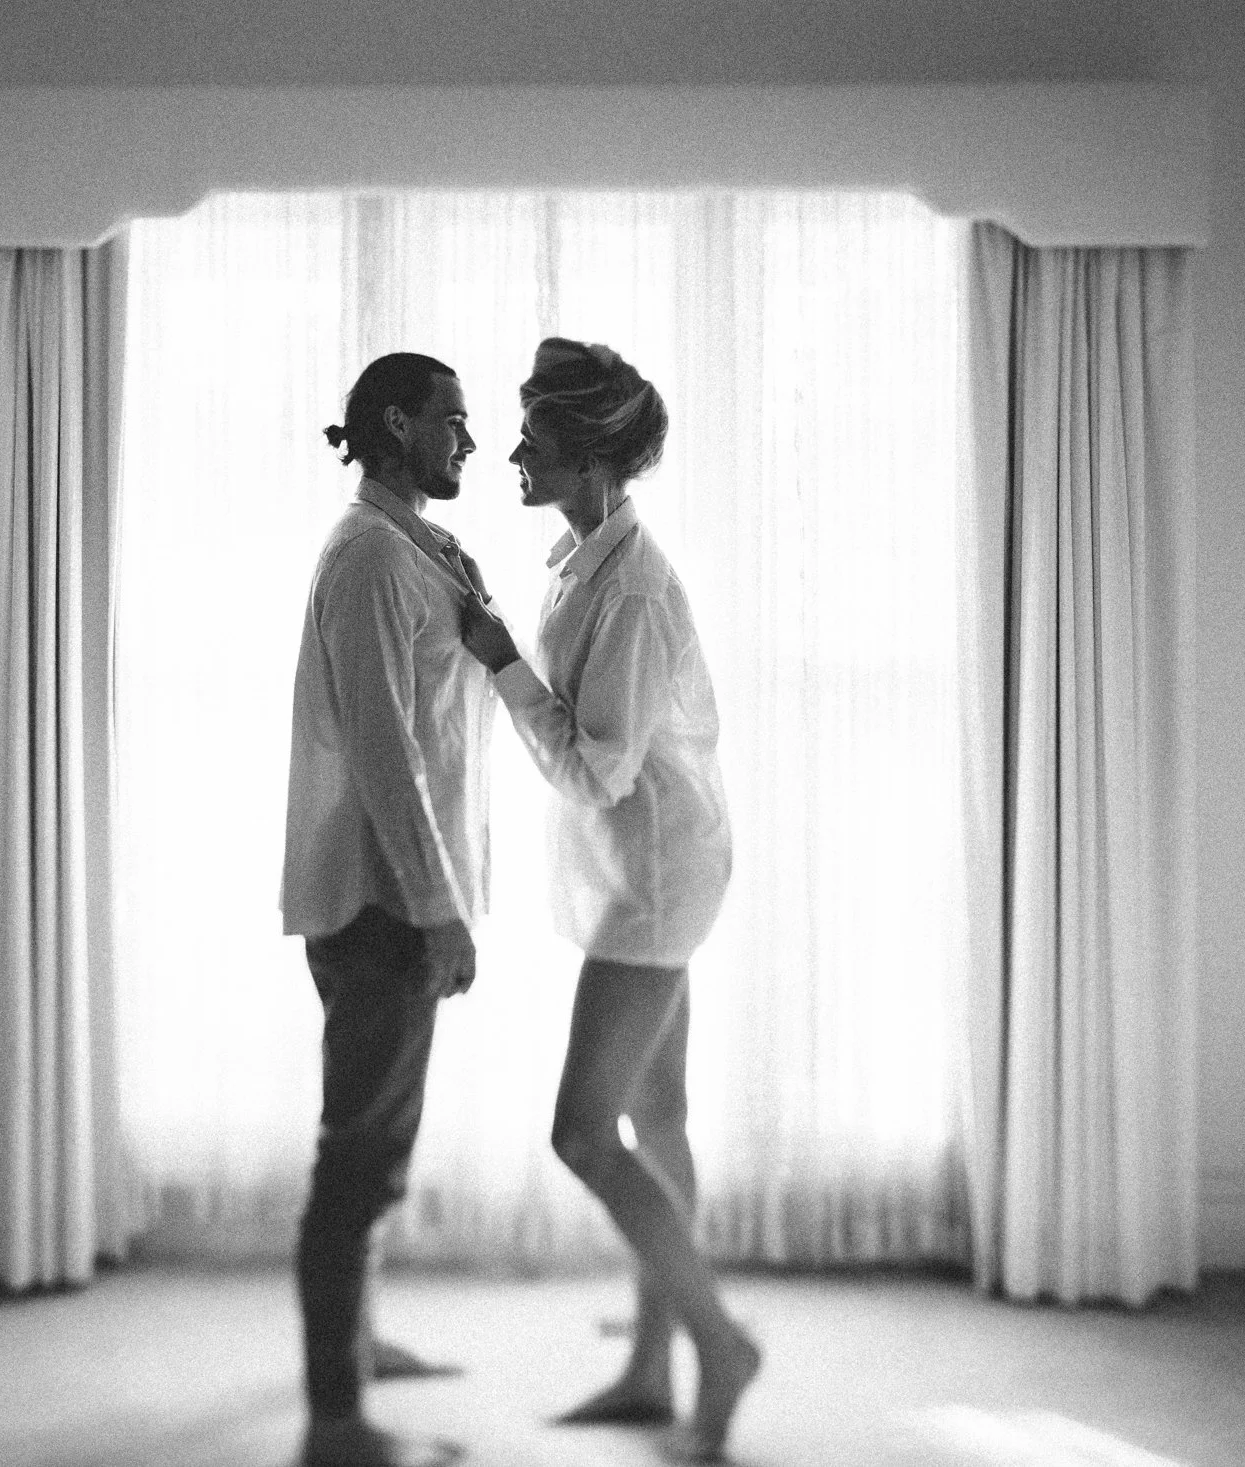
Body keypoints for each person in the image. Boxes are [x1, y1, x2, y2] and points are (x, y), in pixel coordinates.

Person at [458, 339, 761, 1462]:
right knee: (659, 1121)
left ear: (587, 458)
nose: (513, 452)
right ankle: (649, 1366)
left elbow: (598, 770)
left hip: (655, 883)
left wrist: (499, 666)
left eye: (533, 438)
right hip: (647, 869)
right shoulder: (582, 556)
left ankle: (717, 1342)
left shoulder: (628, 587)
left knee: (582, 1133)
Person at [282, 351, 494, 1467]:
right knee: (359, 1156)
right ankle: (335, 1418)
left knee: (378, 1145)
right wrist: (440, 910)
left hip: (398, 895)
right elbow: (385, 752)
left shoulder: (411, 545)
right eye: (454, 420)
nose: (469, 440)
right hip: (382, 902)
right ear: (397, 422)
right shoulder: (369, 557)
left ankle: (358, 1353)